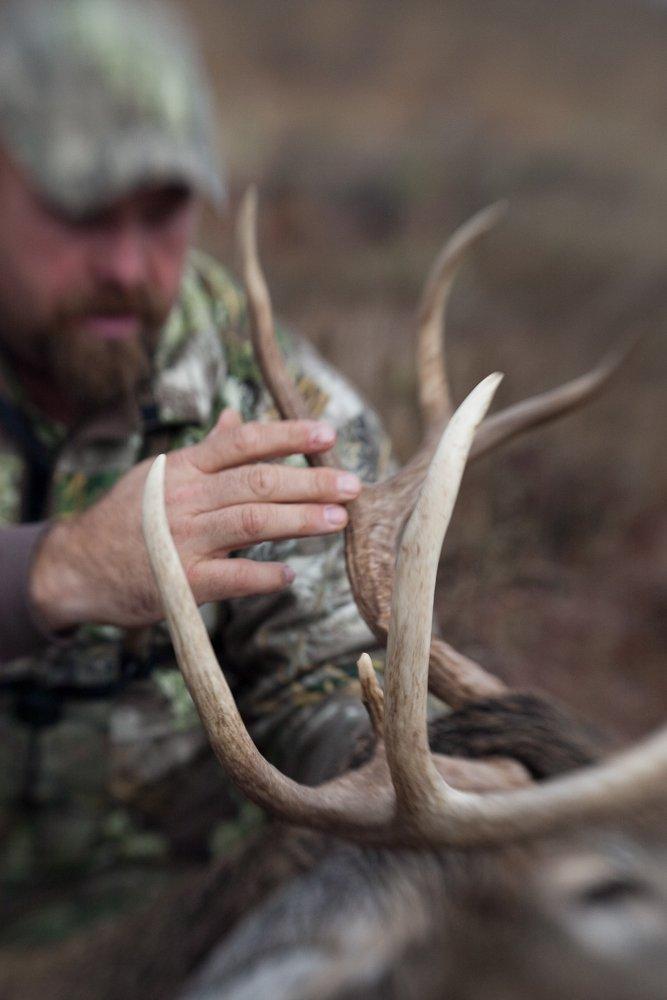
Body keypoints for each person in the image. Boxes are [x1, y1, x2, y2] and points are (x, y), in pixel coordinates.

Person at [0, 0, 391, 927]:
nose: (129, 266)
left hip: (169, 946)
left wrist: (402, 755)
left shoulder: (291, 414)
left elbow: (326, 681)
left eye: (165, 211)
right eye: (82, 212)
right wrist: (55, 572)